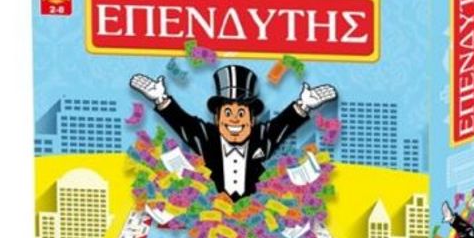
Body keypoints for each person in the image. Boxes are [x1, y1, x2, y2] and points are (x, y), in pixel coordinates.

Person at [130, 64, 337, 198]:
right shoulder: (206, 137)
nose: (235, 119)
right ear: (217, 119)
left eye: (241, 113)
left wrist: (304, 105)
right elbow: (182, 122)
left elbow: (284, 124)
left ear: (252, 119)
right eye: (228, 112)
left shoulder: (261, 137)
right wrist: (161, 99)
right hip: (211, 219)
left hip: (255, 219)